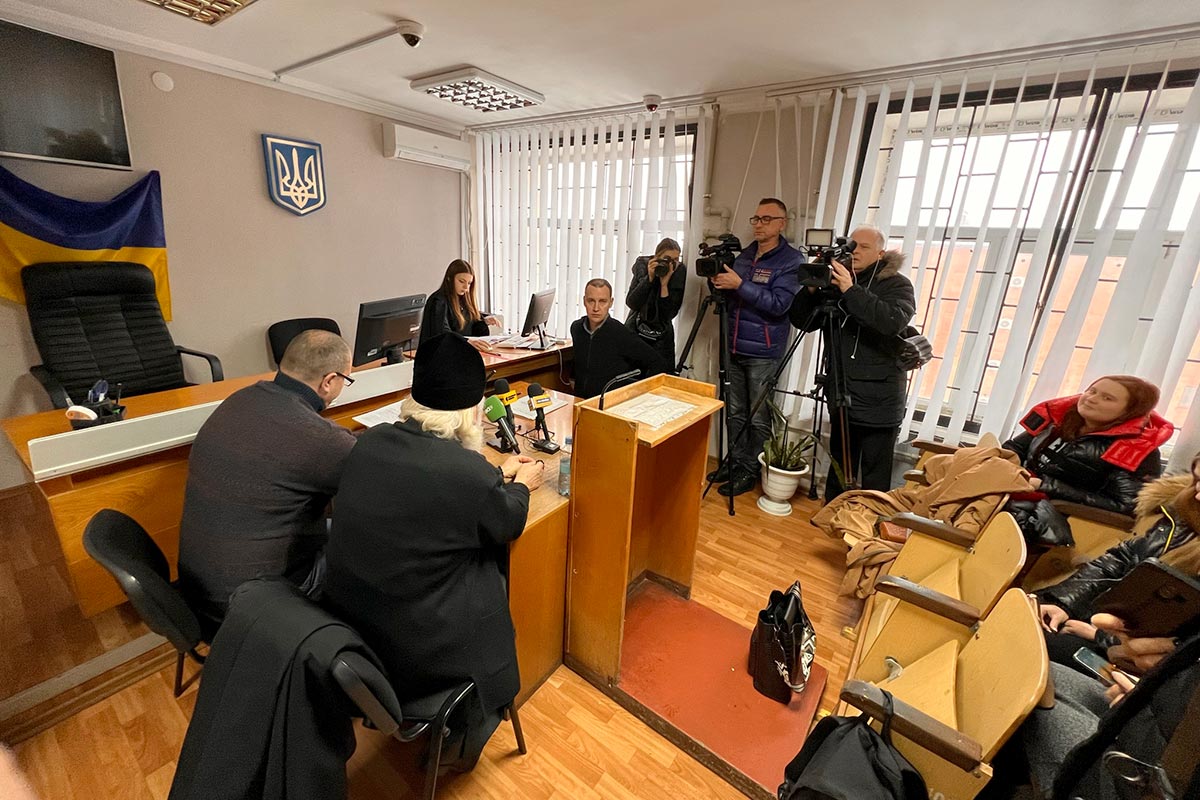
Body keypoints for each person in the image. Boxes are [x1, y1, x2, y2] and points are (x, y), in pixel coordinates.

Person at [322, 332, 545, 771]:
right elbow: (506, 521)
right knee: (491, 576)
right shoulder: (465, 473)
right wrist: (519, 483)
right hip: (416, 651)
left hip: (353, 629)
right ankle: (465, 733)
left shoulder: (368, 442)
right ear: (469, 413)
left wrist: (489, 478)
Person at [178, 329, 357, 630]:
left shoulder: (237, 401)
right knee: (371, 550)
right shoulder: (320, 439)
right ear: (329, 381)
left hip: (199, 595)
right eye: (345, 380)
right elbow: (382, 481)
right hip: (256, 612)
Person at [1037, 450, 1200, 672]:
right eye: (1197, 480)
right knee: (1029, 615)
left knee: (1040, 646)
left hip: (1139, 661)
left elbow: (1181, 639)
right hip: (1106, 620)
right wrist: (1064, 604)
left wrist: (1100, 636)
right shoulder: (1184, 512)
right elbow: (1122, 558)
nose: (1197, 495)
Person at [787, 225, 914, 501]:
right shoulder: (834, 282)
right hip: (842, 391)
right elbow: (801, 321)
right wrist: (810, 289)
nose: (855, 251)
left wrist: (851, 290)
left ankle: (867, 530)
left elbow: (891, 321)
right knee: (840, 466)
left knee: (874, 474)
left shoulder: (896, 284)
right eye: (852, 244)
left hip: (879, 399)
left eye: (864, 247)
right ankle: (834, 516)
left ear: (881, 253)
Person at [707, 198, 804, 497]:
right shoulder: (745, 256)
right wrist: (719, 283)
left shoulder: (791, 261)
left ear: (781, 223)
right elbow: (732, 295)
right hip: (733, 345)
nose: (759, 224)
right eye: (756, 218)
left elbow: (779, 305)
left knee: (758, 416)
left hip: (763, 351)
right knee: (735, 412)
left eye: (766, 219)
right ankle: (735, 462)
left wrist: (740, 285)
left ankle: (750, 470)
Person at [1004, 375, 1173, 545]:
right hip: (1019, 487)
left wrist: (1044, 485)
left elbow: (1125, 506)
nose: (1091, 399)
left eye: (1107, 398)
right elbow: (1014, 448)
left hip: (1060, 515)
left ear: (1130, 411)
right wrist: (1012, 468)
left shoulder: (1136, 448)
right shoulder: (1061, 416)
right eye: (1092, 391)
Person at [570, 278, 670, 398]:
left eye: (602, 301)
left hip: (609, 404)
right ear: (584, 301)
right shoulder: (577, 328)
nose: (596, 308)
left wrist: (641, 393)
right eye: (591, 301)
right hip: (580, 400)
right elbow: (578, 360)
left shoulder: (619, 332)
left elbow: (657, 362)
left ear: (611, 303)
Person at [625, 237, 687, 364]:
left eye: (676, 259)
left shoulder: (678, 273)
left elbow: (668, 315)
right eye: (667, 259)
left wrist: (664, 285)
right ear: (656, 257)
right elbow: (632, 303)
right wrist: (649, 279)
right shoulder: (643, 267)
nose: (671, 264)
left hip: (661, 338)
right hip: (636, 330)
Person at [419, 259, 496, 351]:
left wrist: (484, 320)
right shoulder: (438, 301)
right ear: (449, 279)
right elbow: (442, 332)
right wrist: (467, 341)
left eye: (469, 283)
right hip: (438, 357)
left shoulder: (463, 299)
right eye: (461, 281)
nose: (466, 287)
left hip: (461, 353)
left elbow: (470, 321)